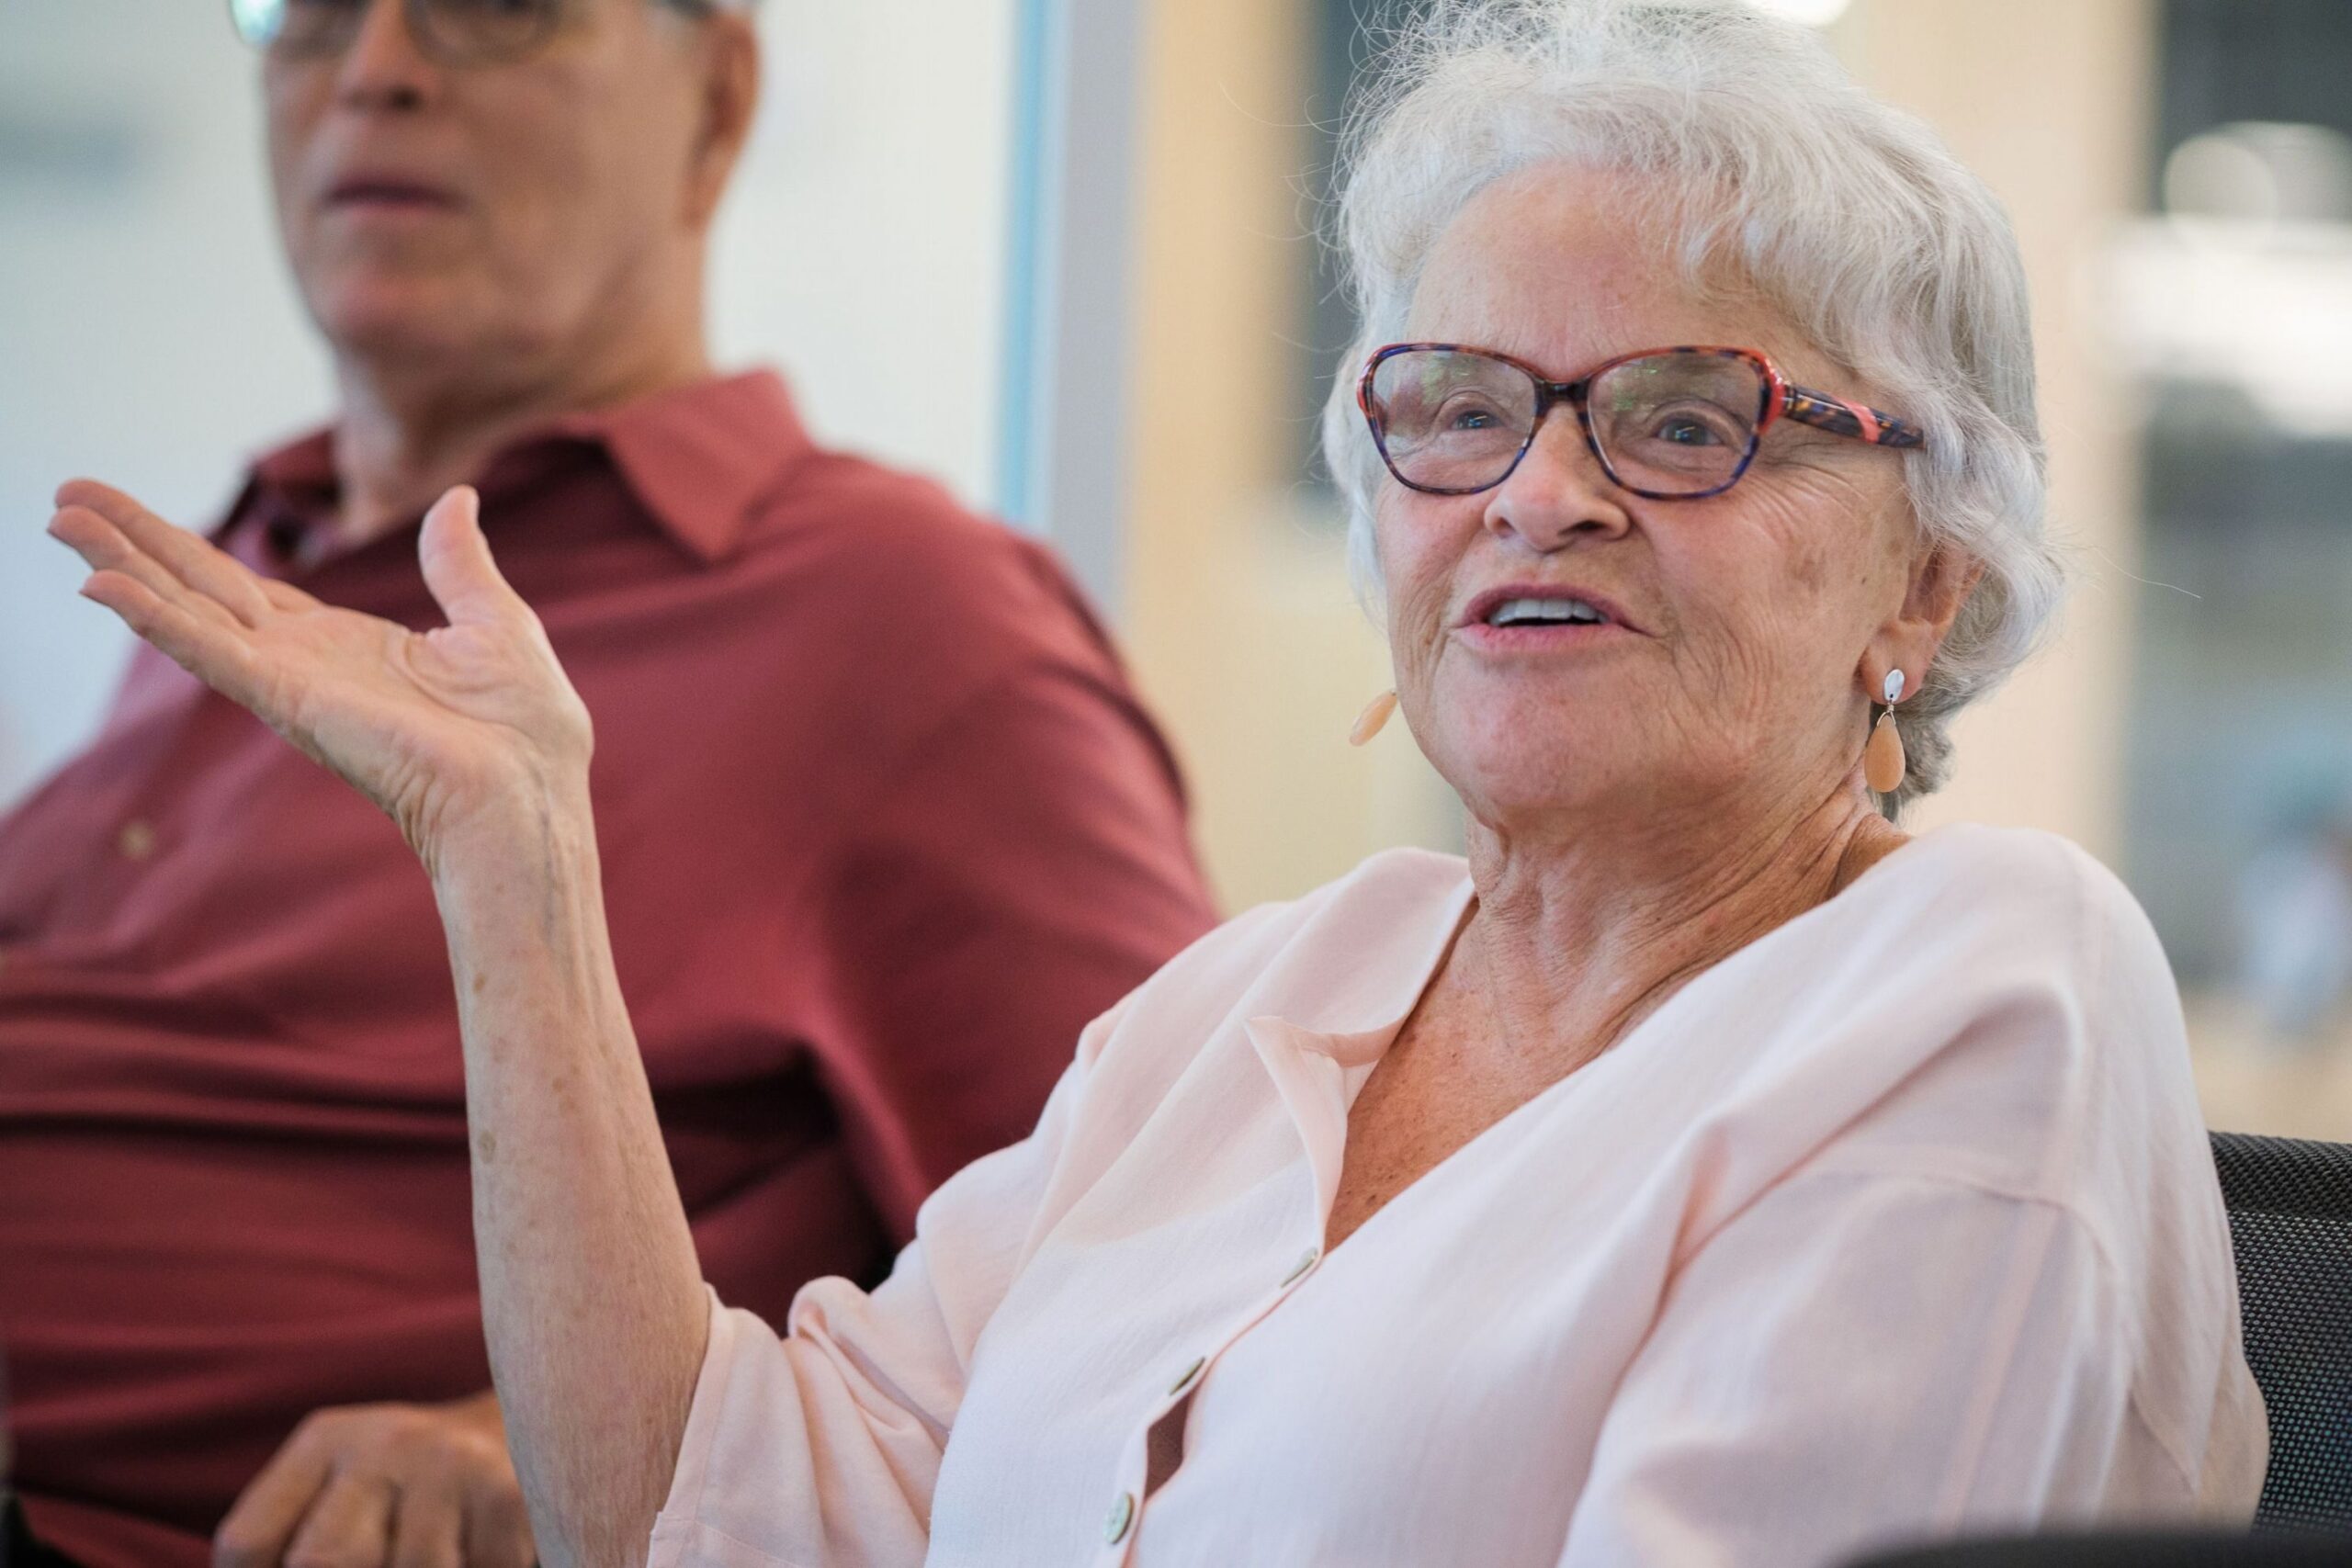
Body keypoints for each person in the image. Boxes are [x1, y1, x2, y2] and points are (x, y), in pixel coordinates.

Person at [46, 0, 2271, 1562]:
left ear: (1926, 572)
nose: (1535, 493)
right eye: (1455, 404)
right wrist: (517, 864)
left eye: (1681, 415)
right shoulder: (1248, 1010)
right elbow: (699, 1516)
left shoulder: (1978, 980)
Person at [0, 0, 1216, 1563]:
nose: (373, 65)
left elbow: (1184, 1319)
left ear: (713, 105)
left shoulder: (908, 624)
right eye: (306, 8)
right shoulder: (234, 568)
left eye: (494, 6)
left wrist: (567, 1437)